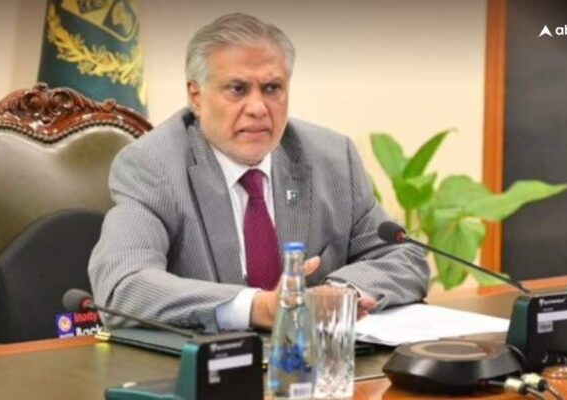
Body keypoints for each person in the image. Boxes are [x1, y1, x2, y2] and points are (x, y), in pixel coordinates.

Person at [88, 13, 430, 333]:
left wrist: (338, 294)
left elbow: (403, 256)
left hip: (312, 366)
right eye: (237, 89)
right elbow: (122, 286)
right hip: (207, 368)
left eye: (272, 89)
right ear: (197, 96)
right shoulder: (153, 166)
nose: (257, 108)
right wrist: (256, 308)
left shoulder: (332, 158)